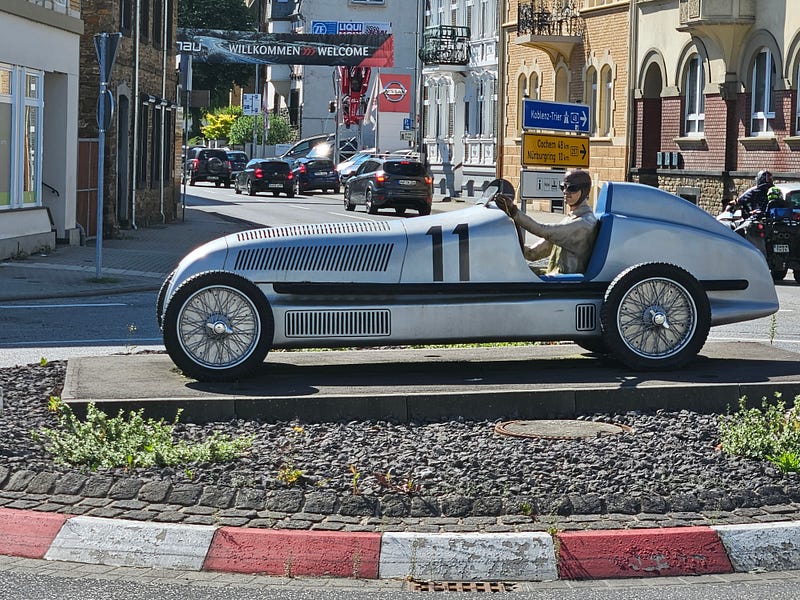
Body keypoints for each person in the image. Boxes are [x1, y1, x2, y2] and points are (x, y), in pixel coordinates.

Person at [491, 169, 598, 275]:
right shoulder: (570, 219)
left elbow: (542, 230)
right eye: (563, 187)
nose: (565, 191)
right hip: (554, 275)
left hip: (564, 283)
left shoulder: (584, 224)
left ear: (584, 191)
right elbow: (533, 254)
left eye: (572, 188)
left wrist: (514, 211)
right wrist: (504, 247)